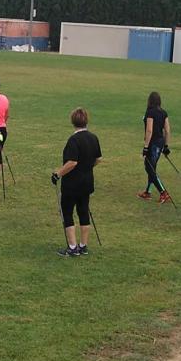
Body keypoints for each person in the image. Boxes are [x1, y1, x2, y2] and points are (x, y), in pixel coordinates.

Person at [51, 107, 102, 256]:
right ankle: (83, 245)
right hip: (87, 182)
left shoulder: (74, 140)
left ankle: (72, 247)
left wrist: (58, 174)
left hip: (72, 184)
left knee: (67, 212)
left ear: (73, 121)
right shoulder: (93, 137)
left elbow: (72, 162)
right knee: (83, 211)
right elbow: (98, 158)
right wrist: (88, 166)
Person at [139, 91, 172, 202]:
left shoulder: (150, 112)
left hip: (153, 144)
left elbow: (149, 130)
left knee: (149, 168)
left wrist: (146, 147)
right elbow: (167, 130)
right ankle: (148, 192)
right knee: (152, 167)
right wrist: (166, 146)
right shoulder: (163, 112)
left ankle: (163, 193)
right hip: (160, 142)